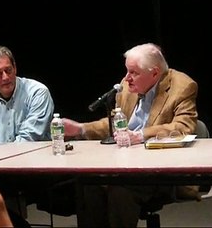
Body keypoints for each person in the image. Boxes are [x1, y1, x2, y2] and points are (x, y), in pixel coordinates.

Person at [63, 42, 199, 227]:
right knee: (89, 185)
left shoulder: (182, 86)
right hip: (124, 165)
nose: (127, 78)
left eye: (133, 72)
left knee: (119, 190)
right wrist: (81, 129)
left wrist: (141, 135)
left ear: (155, 73)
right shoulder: (127, 87)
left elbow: (184, 126)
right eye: (127, 71)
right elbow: (115, 124)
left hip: (160, 171)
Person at [0, 45, 54, 145]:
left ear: (15, 68)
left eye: (8, 70)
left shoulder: (37, 92)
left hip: (34, 157)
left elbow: (30, 137)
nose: (5, 77)